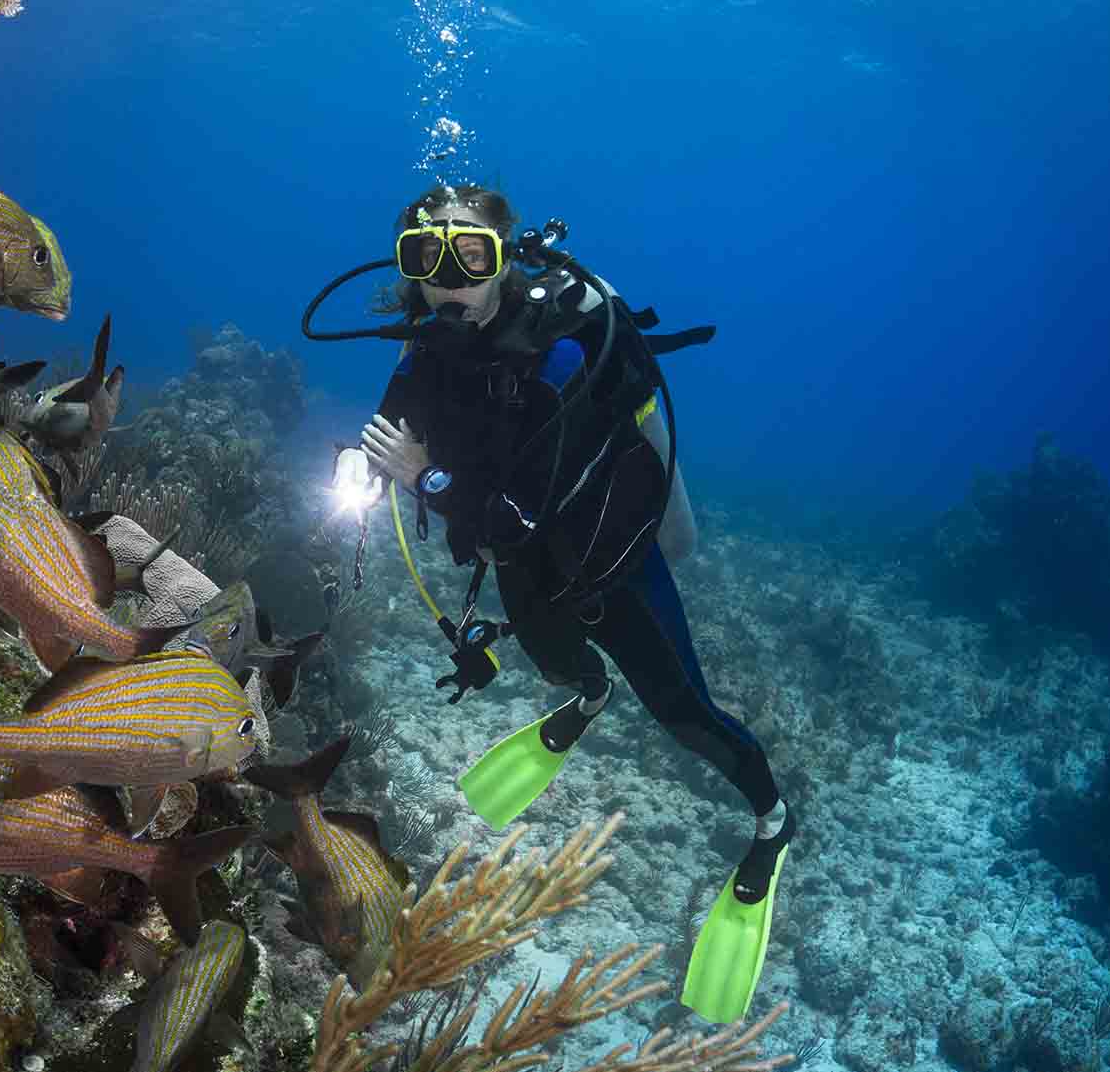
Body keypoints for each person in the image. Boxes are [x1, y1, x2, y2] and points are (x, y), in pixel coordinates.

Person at [328, 183, 793, 1024]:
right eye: (424, 259)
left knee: (685, 715)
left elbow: (516, 503)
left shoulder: (558, 354)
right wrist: (356, 467)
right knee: (556, 668)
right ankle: (589, 694)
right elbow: (388, 432)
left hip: (609, 567)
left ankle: (771, 820)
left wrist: (420, 475)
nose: (447, 279)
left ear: (504, 262)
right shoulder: (425, 352)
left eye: (469, 256)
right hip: (523, 566)